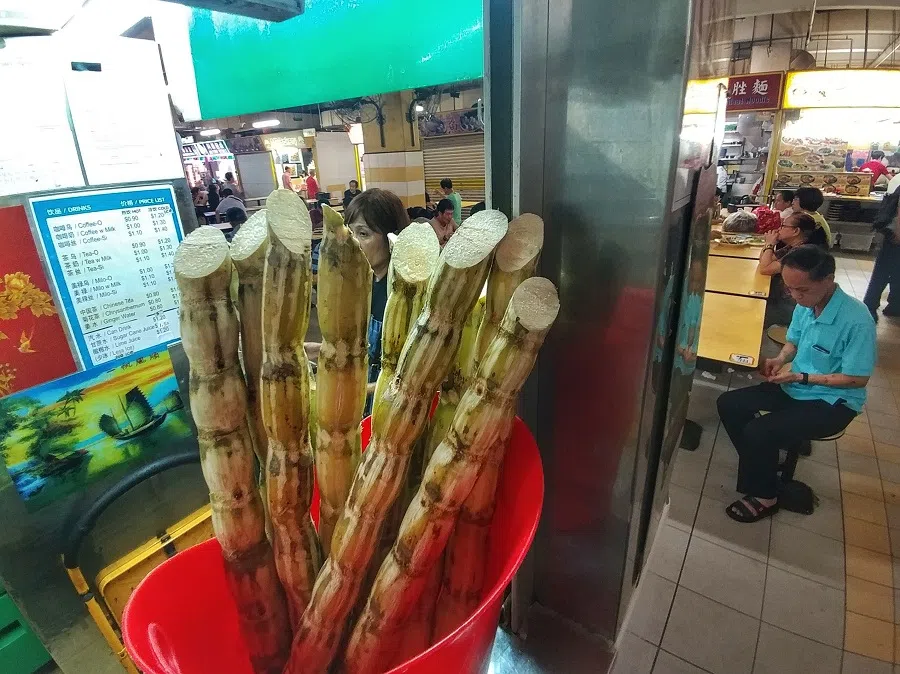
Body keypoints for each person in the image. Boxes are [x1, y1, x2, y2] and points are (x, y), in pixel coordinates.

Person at [716, 246, 875, 523]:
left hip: (834, 401)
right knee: (730, 404)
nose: (795, 296)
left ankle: (766, 496)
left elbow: (856, 378)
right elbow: (794, 340)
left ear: (828, 280)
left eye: (802, 290)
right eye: (790, 289)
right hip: (798, 386)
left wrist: (801, 376)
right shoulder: (807, 305)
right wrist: (780, 359)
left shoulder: (856, 320)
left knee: (759, 430)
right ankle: (762, 464)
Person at [758, 212, 820, 327]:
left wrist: (770, 244)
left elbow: (765, 269)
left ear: (796, 231)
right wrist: (768, 244)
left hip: (789, 305)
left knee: (754, 313)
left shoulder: (801, 252)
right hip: (779, 297)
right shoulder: (792, 246)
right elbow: (764, 260)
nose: (779, 229)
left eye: (783, 226)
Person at [863, 174, 900, 321]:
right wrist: (898, 234)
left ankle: (894, 306)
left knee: (892, 272)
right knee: (882, 273)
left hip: (892, 235)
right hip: (895, 237)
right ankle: (870, 306)